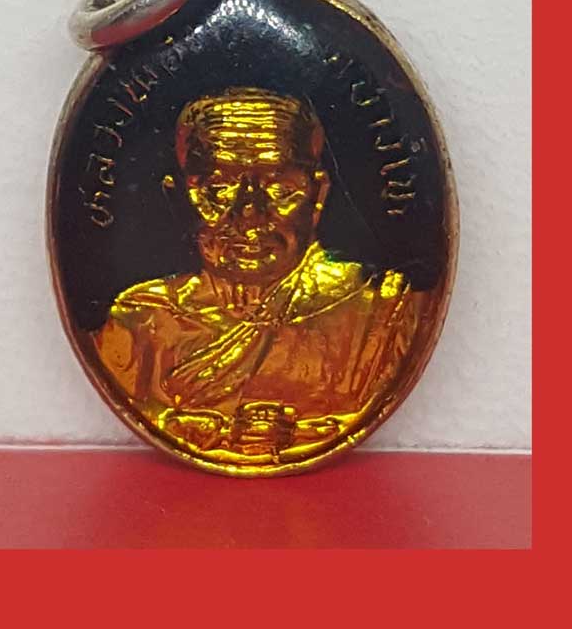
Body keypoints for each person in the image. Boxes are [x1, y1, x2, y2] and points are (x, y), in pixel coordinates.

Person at [94, 87, 417, 462]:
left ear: (318, 196)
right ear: (178, 197)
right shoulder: (140, 324)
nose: (249, 213)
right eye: (218, 189)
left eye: (280, 188)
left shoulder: (379, 314)